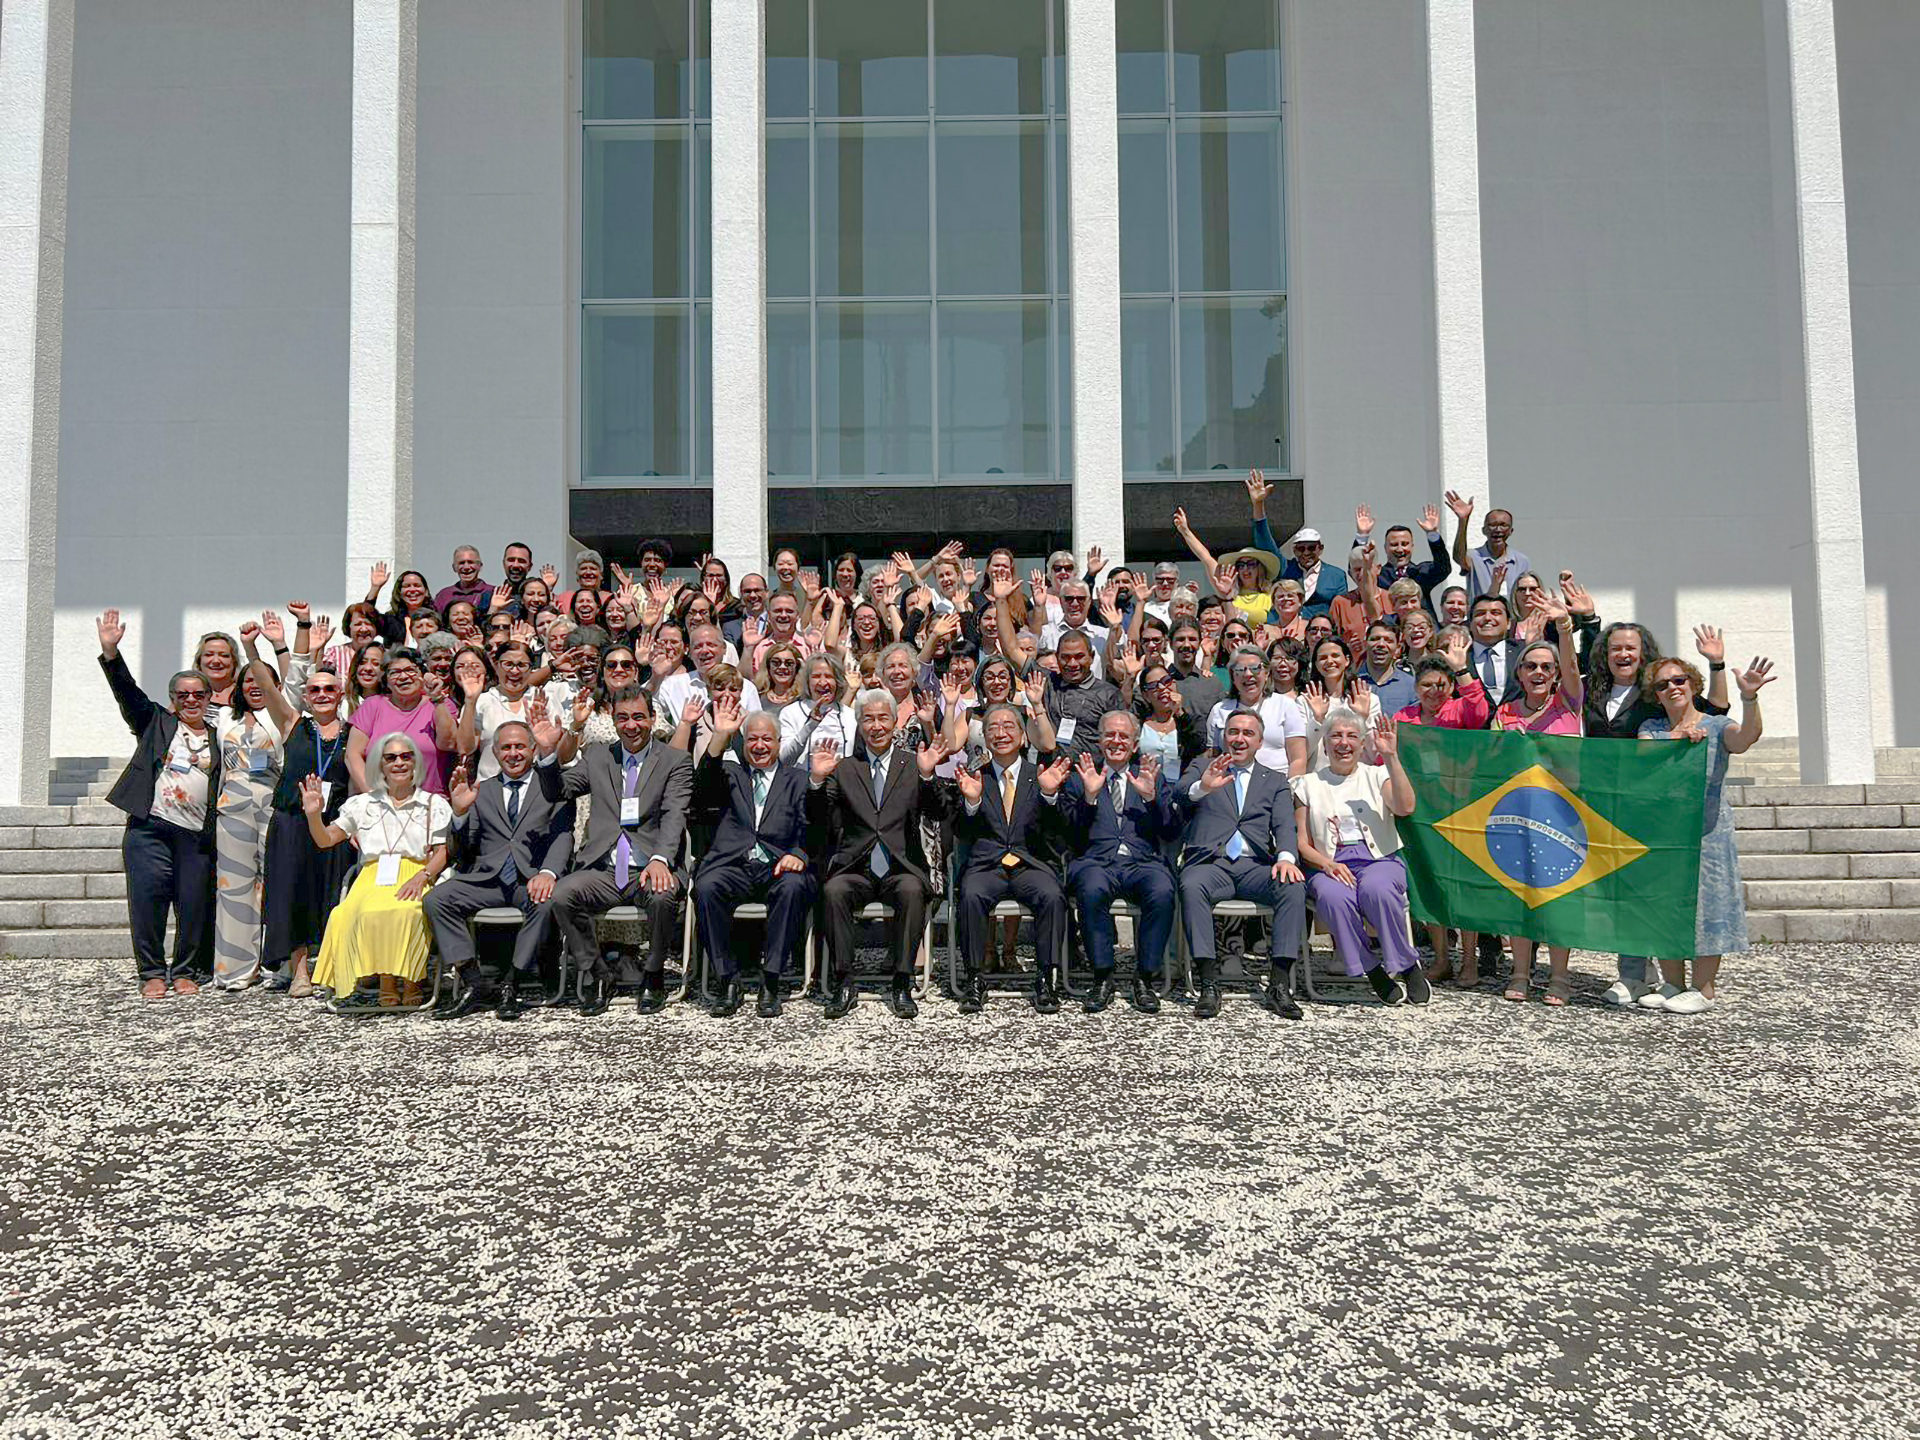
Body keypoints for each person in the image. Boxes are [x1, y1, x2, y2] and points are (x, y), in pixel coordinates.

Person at [537, 686, 693, 1014]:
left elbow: (674, 814)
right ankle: (597, 973)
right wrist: (549, 754)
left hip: (649, 864)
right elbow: (559, 791)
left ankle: (653, 974)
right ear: (613, 720)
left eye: (639, 717)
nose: (631, 725)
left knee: (663, 895)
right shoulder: (597, 755)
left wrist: (660, 859)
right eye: (623, 718)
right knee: (562, 894)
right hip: (605, 869)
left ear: (652, 719)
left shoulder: (674, 760)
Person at [1636, 653, 1775, 1014]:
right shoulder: (1651, 729)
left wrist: (1750, 698)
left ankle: (1704, 988)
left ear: (1693, 684)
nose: (1672, 688)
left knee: (1709, 904)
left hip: (1708, 832)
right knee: (1664, 905)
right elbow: (1645, 755)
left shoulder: (1715, 725)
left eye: (1679, 680)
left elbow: (1746, 738)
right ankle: (1672, 982)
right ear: (1656, 694)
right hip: (1664, 832)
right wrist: (1677, 739)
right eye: (1662, 684)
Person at [98, 610, 220, 998]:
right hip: (150, 829)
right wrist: (111, 652)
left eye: (197, 694)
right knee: (148, 901)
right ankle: (151, 972)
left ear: (208, 698)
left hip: (196, 834)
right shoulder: (156, 723)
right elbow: (127, 693)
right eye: (182, 695)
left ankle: (184, 971)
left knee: (193, 904)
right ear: (172, 700)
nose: (190, 700)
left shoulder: (220, 736)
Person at [808, 691, 950, 1020]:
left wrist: (928, 776)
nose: (876, 726)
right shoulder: (844, 767)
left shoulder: (913, 763)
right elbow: (817, 820)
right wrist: (816, 780)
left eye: (882, 718)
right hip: (856, 864)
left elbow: (939, 811)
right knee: (833, 890)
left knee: (913, 890)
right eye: (868, 719)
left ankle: (902, 981)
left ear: (894, 721)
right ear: (859, 724)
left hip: (900, 864)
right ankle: (844, 981)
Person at [426, 728, 576, 1021]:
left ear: (533, 749)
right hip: (487, 879)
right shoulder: (482, 789)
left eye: (520, 746)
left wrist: (548, 872)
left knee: (545, 902)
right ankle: (475, 982)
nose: (513, 754)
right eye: (505, 747)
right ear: (495, 753)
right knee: (436, 900)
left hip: (528, 879)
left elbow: (563, 835)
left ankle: (512, 983)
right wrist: (458, 814)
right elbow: (462, 849)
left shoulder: (552, 786)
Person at [1176, 711, 1308, 1020]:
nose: (1239, 738)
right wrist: (1203, 787)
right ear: (1224, 737)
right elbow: (1179, 794)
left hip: (1255, 866)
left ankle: (1278, 985)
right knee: (1191, 885)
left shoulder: (1274, 780)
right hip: (1212, 864)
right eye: (1233, 732)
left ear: (1260, 742)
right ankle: (1209, 983)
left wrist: (1286, 858)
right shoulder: (1201, 766)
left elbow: (1285, 825)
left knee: (1292, 884)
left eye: (1248, 733)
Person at [304, 733, 453, 1009]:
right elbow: (325, 840)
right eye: (391, 758)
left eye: (406, 756)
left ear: (415, 763)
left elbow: (443, 851)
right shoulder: (362, 804)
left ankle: (412, 979)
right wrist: (314, 815)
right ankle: (386, 980)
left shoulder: (434, 804)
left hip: (416, 872)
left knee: (408, 911)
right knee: (347, 913)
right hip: (372, 875)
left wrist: (423, 876)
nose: (399, 763)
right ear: (380, 765)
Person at [691, 699, 817, 1018]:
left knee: (793, 887)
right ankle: (727, 980)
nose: (759, 746)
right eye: (752, 739)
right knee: (707, 886)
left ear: (778, 743)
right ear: (743, 742)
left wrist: (799, 854)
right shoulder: (730, 773)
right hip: (734, 865)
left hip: (776, 866)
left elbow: (812, 827)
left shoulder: (797, 779)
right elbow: (702, 787)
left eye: (766, 739)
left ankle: (771, 981)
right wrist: (721, 735)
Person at [1293, 714, 1426, 1004]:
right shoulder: (1307, 784)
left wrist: (1391, 757)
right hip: (1328, 863)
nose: (1344, 743)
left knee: (1376, 889)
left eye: (1352, 736)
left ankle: (1405, 963)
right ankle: (1371, 968)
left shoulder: (1377, 775)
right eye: (1336, 736)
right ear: (1325, 745)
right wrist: (1327, 864)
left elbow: (1406, 807)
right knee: (1332, 897)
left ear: (1363, 743)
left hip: (1378, 859)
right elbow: (1301, 843)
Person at [951, 706, 1071, 1015]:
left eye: (1009, 727)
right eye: (993, 728)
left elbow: (1058, 832)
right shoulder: (975, 774)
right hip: (987, 865)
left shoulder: (1040, 775)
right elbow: (961, 831)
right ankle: (975, 977)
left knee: (1052, 895)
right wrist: (972, 801)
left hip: (1029, 863)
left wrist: (1049, 797)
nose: (1000, 733)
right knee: (971, 894)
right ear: (985, 737)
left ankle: (1046, 977)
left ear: (1022, 737)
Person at [1057, 714, 1179, 1014]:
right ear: (1099, 741)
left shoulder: (1150, 775)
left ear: (1135, 744)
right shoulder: (1081, 775)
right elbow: (1069, 833)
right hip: (1096, 861)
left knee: (1163, 890)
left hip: (1142, 862)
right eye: (1109, 735)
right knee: (1091, 888)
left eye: (1123, 737)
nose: (1116, 741)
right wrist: (1089, 797)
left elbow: (1170, 831)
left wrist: (1152, 799)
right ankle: (1102, 976)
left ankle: (1144, 978)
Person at [209, 620, 300, 990]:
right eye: (246, 681)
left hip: (272, 805)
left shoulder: (280, 717)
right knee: (234, 887)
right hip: (232, 810)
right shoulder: (223, 723)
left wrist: (255, 647)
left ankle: (277, 963)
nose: (253, 686)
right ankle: (234, 968)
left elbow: (288, 679)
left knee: (275, 883)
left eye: (258, 680)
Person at [262, 663, 354, 999]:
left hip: (334, 823)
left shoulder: (353, 733)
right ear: (305, 696)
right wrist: (252, 648)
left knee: (332, 893)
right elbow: (266, 687)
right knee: (291, 893)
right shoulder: (293, 724)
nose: (322, 695)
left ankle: (331, 968)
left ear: (341, 695)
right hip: (292, 821)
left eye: (329, 689)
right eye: (315, 690)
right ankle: (299, 970)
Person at [345, 648, 457, 795]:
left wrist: (437, 699)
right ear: (386, 680)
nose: (403, 677)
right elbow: (352, 755)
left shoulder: (441, 704)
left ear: (422, 674)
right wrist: (374, 796)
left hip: (428, 804)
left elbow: (449, 743)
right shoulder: (372, 706)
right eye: (395, 672)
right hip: (378, 804)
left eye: (410, 670)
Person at [1206, 646, 1308, 776]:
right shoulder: (1219, 710)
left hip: (1276, 787)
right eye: (1240, 670)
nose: (1248, 675)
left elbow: (1298, 759)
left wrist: (1290, 791)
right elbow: (1212, 756)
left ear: (1266, 673)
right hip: (1230, 785)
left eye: (1255, 668)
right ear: (1233, 676)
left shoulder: (1285, 705)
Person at [1044, 631, 1121, 763]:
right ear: (1057, 658)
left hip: (1092, 773)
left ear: (1091, 657)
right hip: (1051, 772)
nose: (1073, 663)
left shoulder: (1109, 694)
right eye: (1065, 657)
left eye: (1079, 656)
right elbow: (1012, 650)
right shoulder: (1047, 682)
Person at [1445, 491, 1532, 602]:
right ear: (1484, 530)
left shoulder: (1521, 561)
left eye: (1503, 525)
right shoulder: (1473, 557)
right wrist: (1463, 520)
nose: (1497, 530)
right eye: (1492, 525)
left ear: (1511, 531)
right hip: (1481, 617)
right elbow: (1459, 557)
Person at [781, 653, 859, 768]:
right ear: (807, 681)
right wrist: (810, 725)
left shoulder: (851, 716)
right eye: (816, 676)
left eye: (828, 676)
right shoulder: (790, 713)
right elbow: (785, 760)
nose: (823, 682)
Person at [432, 545, 490, 615]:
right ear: (454, 568)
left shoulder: (493, 593)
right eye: (461, 563)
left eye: (470, 562)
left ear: (479, 566)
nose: (466, 567)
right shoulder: (444, 596)